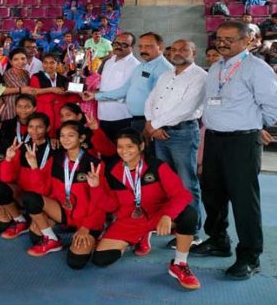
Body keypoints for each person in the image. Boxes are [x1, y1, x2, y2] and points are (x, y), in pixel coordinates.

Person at [193, 21, 277, 280]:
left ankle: (249, 256)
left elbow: (273, 109)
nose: (222, 43)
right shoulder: (216, 67)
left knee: (244, 202)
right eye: (219, 38)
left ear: (247, 41)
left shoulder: (257, 69)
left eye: (229, 39)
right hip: (214, 140)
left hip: (242, 142)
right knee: (213, 195)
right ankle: (219, 240)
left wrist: (255, 126)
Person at [89, 130, 201, 289]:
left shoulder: (156, 166)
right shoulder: (112, 170)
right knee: (100, 260)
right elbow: (111, 206)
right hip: (129, 221)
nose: (124, 151)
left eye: (129, 146)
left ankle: (180, 264)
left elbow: (181, 195)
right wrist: (95, 188)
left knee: (189, 214)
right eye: (120, 147)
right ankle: (136, 239)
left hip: (157, 215)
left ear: (141, 146)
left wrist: (168, 215)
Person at [144, 40, 206, 247]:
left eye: (184, 50)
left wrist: (154, 125)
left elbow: (186, 108)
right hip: (159, 133)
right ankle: (171, 222)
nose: (178, 53)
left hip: (182, 133)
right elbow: (151, 100)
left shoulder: (200, 77)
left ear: (194, 52)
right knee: (166, 182)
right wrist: (150, 123)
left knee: (187, 181)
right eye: (175, 50)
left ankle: (192, 230)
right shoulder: (167, 74)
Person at [20, 121, 106, 268]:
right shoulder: (56, 159)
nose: (65, 139)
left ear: (81, 138)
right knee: (30, 203)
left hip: (87, 218)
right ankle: (52, 239)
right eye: (62, 136)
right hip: (63, 212)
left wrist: (86, 227)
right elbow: (42, 190)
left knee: (75, 262)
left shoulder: (94, 164)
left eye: (71, 136)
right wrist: (34, 166)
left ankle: (98, 235)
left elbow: (100, 202)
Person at [85, 33, 173, 142]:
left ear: (160, 47)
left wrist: (153, 124)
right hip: (132, 119)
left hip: (140, 120)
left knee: (140, 154)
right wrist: (95, 95)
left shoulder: (164, 69)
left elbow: (162, 101)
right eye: (141, 46)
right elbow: (125, 89)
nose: (143, 50)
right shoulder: (141, 66)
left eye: (148, 46)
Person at [0, 112, 53, 239]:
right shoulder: (22, 147)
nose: (34, 131)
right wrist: (9, 159)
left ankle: (41, 218)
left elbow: (44, 189)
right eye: (31, 127)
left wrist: (34, 167)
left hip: (44, 198)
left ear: (48, 128)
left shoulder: (55, 149)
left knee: (36, 238)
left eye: (39, 127)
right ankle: (20, 220)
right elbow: (6, 178)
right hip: (23, 196)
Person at [29, 54, 71, 137]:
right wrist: (52, 89)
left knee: (59, 134)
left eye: (52, 63)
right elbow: (33, 91)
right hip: (43, 109)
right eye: (45, 62)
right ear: (42, 64)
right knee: (44, 132)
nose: (48, 65)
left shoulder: (63, 79)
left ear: (58, 64)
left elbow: (68, 94)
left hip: (59, 111)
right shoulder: (36, 77)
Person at [2, 48, 32, 120]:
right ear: (10, 61)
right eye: (16, 59)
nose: (20, 62)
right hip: (10, 110)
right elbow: (26, 90)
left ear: (27, 59)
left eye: (23, 58)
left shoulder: (26, 73)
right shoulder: (8, 74)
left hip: (22, 110)